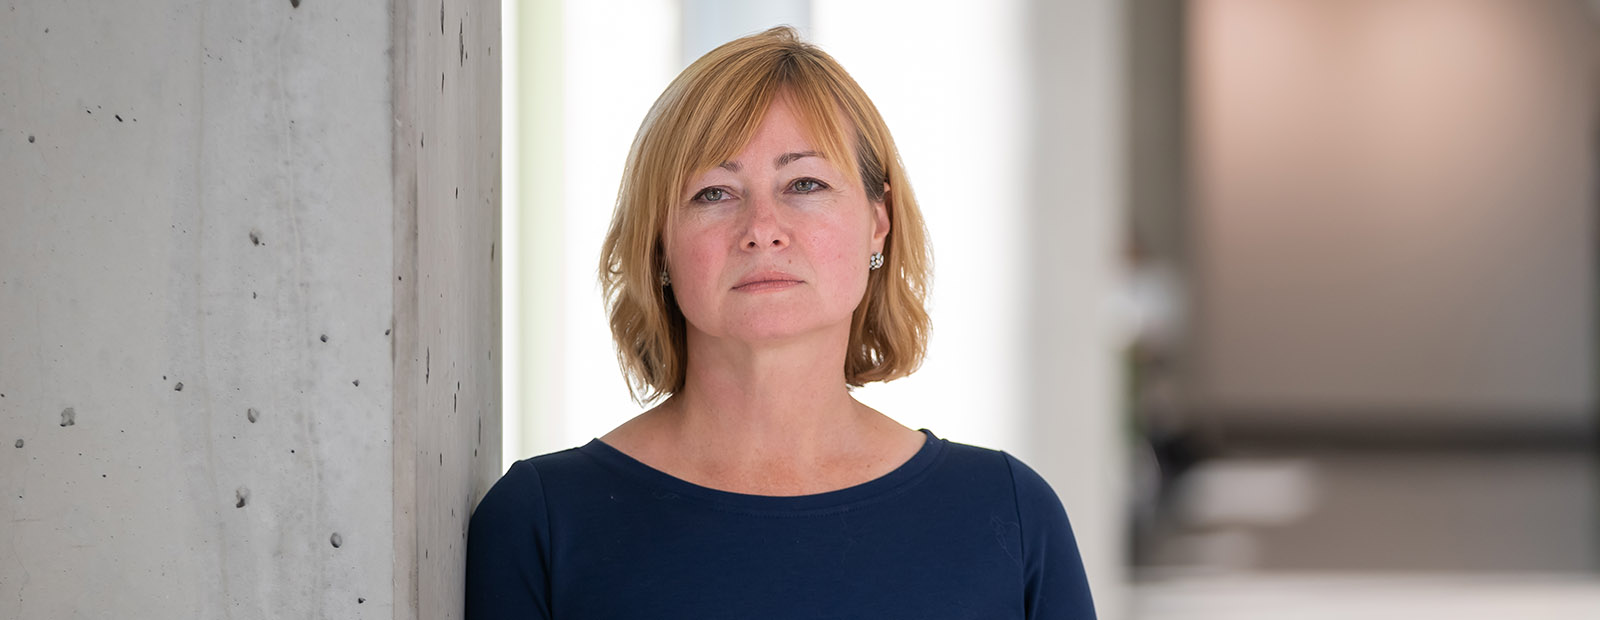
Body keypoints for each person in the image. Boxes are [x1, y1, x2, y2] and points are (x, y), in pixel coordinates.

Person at [466, 26, 1095, 619]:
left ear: (879, 221)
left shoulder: (1008, 514)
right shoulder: (539, 522)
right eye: (713, 192)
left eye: (805, 183)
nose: (762, 229)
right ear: (659, 243)